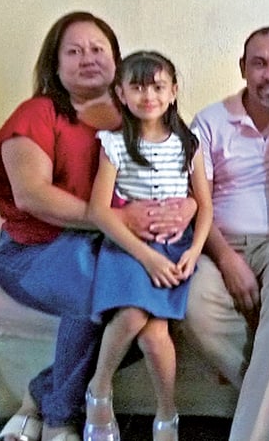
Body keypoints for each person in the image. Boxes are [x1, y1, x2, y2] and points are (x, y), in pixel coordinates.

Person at [0, 13, 195, 441]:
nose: (88, 59)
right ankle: (62, 417)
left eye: (98, 49)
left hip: (107, 244)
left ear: (117, 61)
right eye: (74, 51)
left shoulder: (138, 111)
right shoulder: (37, 114)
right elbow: (32, 196)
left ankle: (38, 397)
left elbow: (186, 168)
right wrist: (117, 217)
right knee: (102, 296)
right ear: (55, 64)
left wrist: (189, 206)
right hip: (34, 247)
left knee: (146, 310)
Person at [181, 26, 269, 441]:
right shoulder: (209, 121)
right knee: (189, 302)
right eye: (259, 63)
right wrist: (226, 259)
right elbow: (193, 200)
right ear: (243, 68)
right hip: (216, 242)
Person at [83, 51, 212, 441]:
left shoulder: (189, 143)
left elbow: (205, 205)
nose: (148, 95)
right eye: (137, 87)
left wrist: (193, 250)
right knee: (134, 317)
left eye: (157, 86)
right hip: (128, 249)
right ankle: (99, 390)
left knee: (157, 335)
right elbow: (98, 211)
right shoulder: (114, 143)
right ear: (121, 93)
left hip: (175, 250)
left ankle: (167, 413)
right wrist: (147, 256)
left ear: (173, 92)